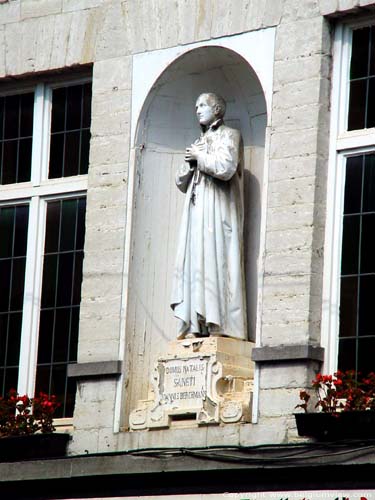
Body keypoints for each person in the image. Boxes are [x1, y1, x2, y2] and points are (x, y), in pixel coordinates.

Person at [170, 93, 247, 340]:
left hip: (218, 211)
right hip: (196, 211)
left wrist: (200, 157)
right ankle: (195, 323)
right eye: (195, 106)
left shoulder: (230, 135)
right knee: (195, 262)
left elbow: (226, 168)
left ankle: (219, 324)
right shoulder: (198, 141)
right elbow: (181, 182)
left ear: (217, 109)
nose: (197, 110)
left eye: (202, 105)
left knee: (216, 261)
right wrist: (192, 161)